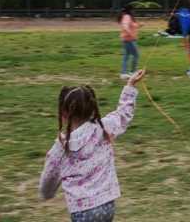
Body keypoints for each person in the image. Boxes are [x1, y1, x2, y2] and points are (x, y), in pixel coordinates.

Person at [39, 70, 146, 222]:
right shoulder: (103, 128)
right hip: (107, 206)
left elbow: (48, 180)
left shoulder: (60, 148)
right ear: (92, 108)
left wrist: (46, 194)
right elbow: (122, 115)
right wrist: (130, 85)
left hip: (83, 213)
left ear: (63, 114)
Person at [118, 5, 141, 80]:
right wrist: (130, 33)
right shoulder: (127, 16)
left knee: (126, 56)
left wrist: (139, 25)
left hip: (128, 39)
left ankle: (124, 73)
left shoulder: (128, 17)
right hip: (129, 39)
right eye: (133, 10)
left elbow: (132, 26)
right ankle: (132, 72)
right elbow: (125, 26)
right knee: (136, 54)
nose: (134, 12)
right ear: (130, 10)